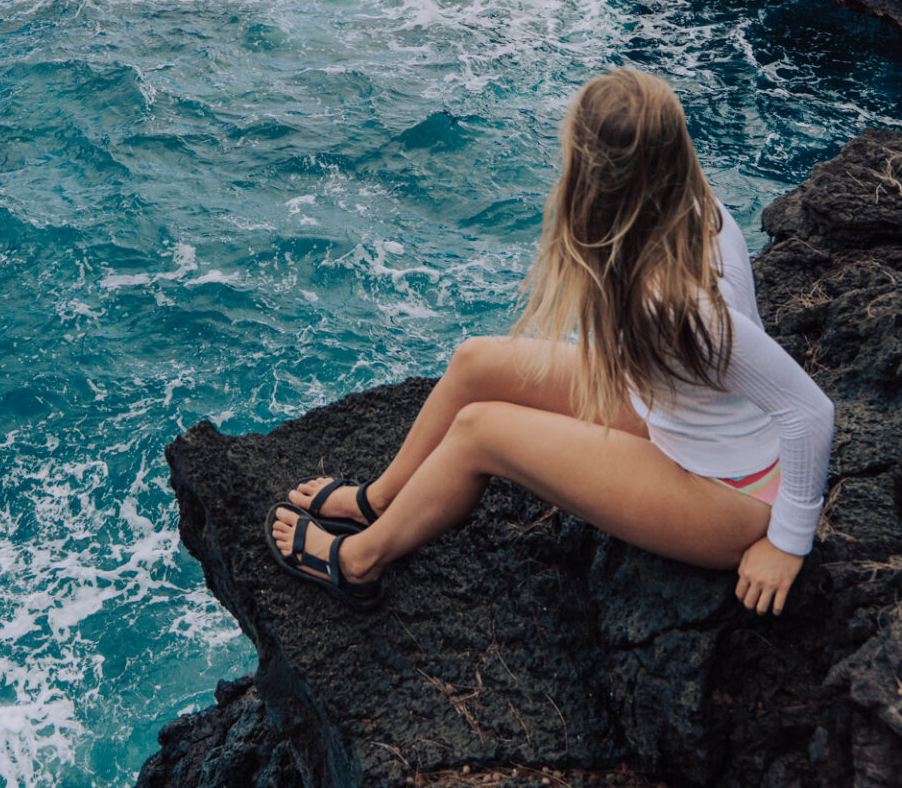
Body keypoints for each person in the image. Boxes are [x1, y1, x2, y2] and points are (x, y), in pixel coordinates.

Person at [266, 67, 834, 616]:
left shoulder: (677, 304)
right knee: (475, 362)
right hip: (682, 425)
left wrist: (787, 541)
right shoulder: (685, 200)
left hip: (732, 495)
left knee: (479, 432)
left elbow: (808, 411)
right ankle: (380, 501)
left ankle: (359, 562)